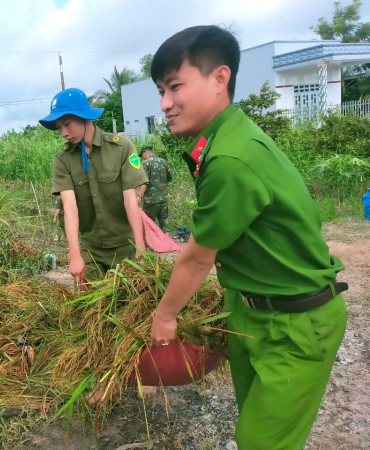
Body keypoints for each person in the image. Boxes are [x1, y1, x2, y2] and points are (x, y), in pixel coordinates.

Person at [148, 26, 348, 449]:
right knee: (253, 428)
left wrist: (165, 317)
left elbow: (198, 258)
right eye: (160, 91)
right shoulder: (222, 139)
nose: (164, 103)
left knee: (259, 441)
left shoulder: (231, 157)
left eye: (174, 87)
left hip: (296, 321)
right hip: (250, 311)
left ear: (220, 78)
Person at [40, 88, 148, 283]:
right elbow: (70, 207)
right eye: (59, 128)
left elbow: (130, 199)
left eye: (67, 124)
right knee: (88, 305)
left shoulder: (121, 148)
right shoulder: (63, 159)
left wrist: (140, 247)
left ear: (84, 117)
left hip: (126, 245)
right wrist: (75, 256)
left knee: (133, 303)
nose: (64, 133)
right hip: (91, 250)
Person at [138, 146, 173, 236]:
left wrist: (139, 196)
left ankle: (151, 243)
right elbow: (170, 177)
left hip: (151, 199)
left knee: (149, 222)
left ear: (145, 153)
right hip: (163, 197)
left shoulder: (145, 163)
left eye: (142, 155)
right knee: (164, 220)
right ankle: (167, 242)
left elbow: (144, 182)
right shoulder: (163, 161)